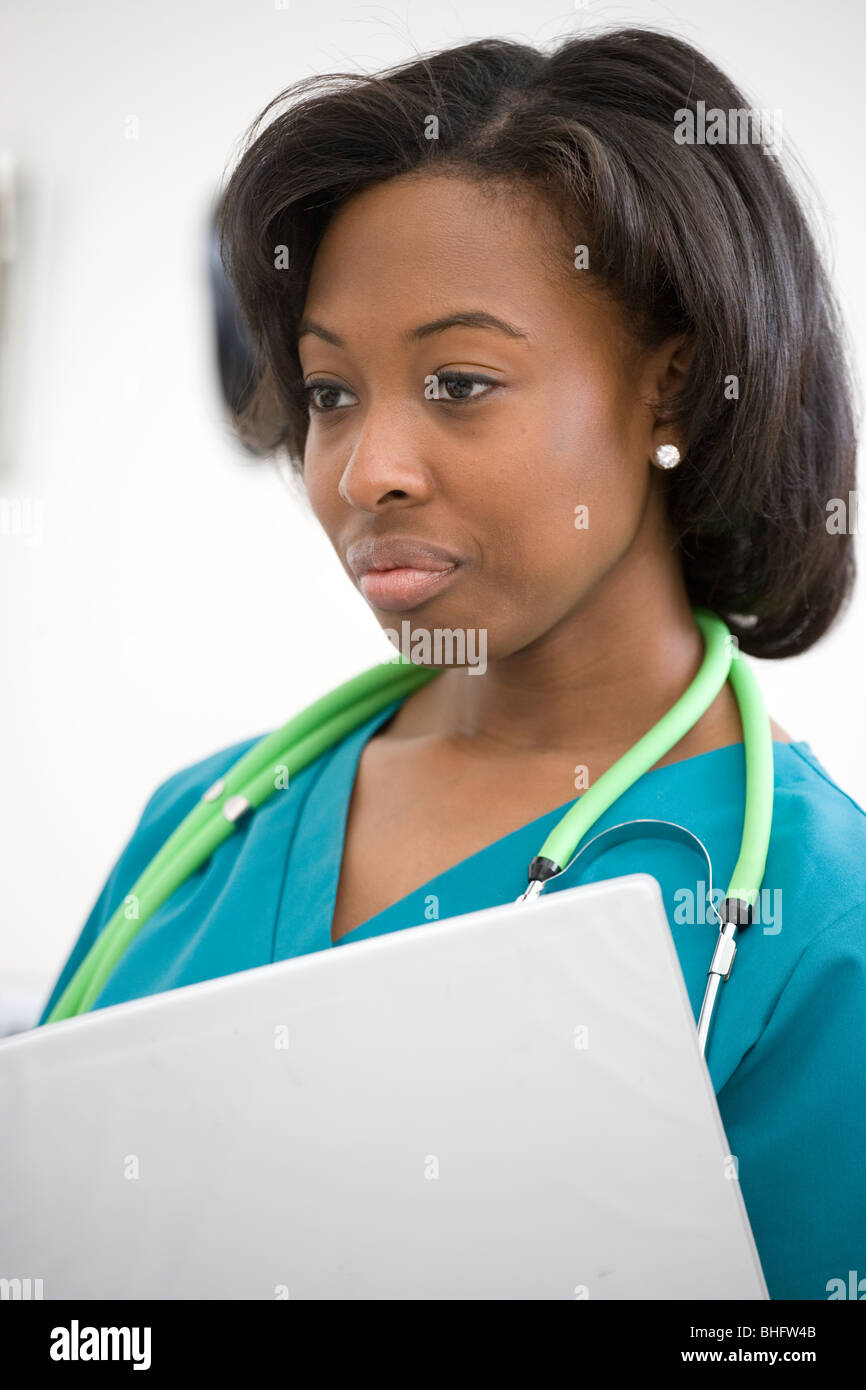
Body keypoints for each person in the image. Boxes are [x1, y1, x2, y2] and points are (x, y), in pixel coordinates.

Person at [39, 27, 866, 1300]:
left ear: (671, 387)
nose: (366, 470)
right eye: (328, 393)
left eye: (460, 381)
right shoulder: (199, 830)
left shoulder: (814, 922)